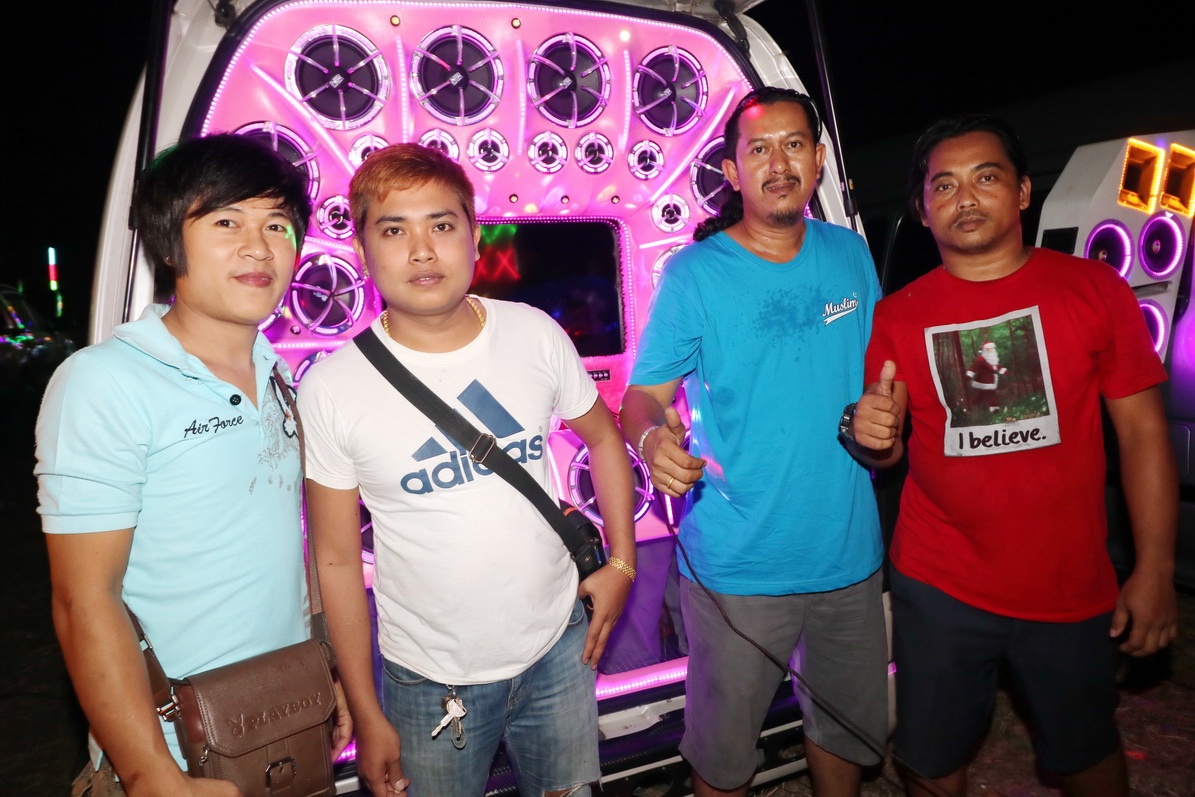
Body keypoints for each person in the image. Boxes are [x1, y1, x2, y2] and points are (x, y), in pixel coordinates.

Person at [851, 115, 1179, 797]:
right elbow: (886, 449)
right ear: (922, 210)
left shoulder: (1094, 288)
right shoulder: (898, 314)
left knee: (1085, 753)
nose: (965, 197)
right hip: (938, 581)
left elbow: (1143, 434)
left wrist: (1154, 568)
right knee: (929, 759)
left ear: (1024, 191)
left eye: (986, 177)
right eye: (944, 185)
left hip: (1069, 584)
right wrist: (871, 436)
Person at [298, 143, 636, 797]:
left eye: (441, 225)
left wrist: (622, 562)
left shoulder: (533, 333)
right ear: (361, 251)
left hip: (560, 647)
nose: (422, 251)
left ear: (474, 237)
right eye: (393, 231)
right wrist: (366, 712)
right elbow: (334, 559)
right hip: (429, 679)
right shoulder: (333, 388)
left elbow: (604, 438)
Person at [36, 133, 351, 796]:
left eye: (277, 225)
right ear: (168, 243)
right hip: (178, 748)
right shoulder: (104, 381)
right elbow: (82, 598)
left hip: (286, 715)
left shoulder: (278, 372)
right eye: (226, 222)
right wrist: (150, 773)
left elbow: (286, 550)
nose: (259, 247)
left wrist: (329, 673)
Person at [620, 87, 888, 797]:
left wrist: (886, 417)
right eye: (758, 149)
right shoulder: (694, 274)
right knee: (723, 753)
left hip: (847, 553)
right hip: (736, 562)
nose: (778, 163)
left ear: (818, 160)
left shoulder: (850, 255)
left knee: (845, 732)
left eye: (793, 145)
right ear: (732, 172)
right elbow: (640, 397)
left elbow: (877, 378)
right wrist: (649, 439)